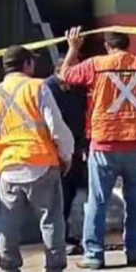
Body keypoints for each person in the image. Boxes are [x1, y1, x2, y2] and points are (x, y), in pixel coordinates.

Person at [60, 27, 136, 269]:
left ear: (108, 47)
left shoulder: (96, 64)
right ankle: (135, 252)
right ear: (127, 44)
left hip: (104, 146)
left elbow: (65, 75)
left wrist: (73, 48)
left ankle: (94, 256)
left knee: (97, 202)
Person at [0, 46, 75, 272]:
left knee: (9, 225)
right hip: (41, 164)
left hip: (8, 168)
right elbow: (56, 126)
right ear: (27, 64)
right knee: (51, 221)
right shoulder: (38, 87)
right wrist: (66, 153)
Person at [45, 54, 89, 256]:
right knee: (56, 197)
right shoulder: (46, 89)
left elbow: (82, 117)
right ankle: (58, 239)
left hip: (75, 150)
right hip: (52, 151)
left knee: (69, 194)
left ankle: (63, 233)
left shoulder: (78, 90)